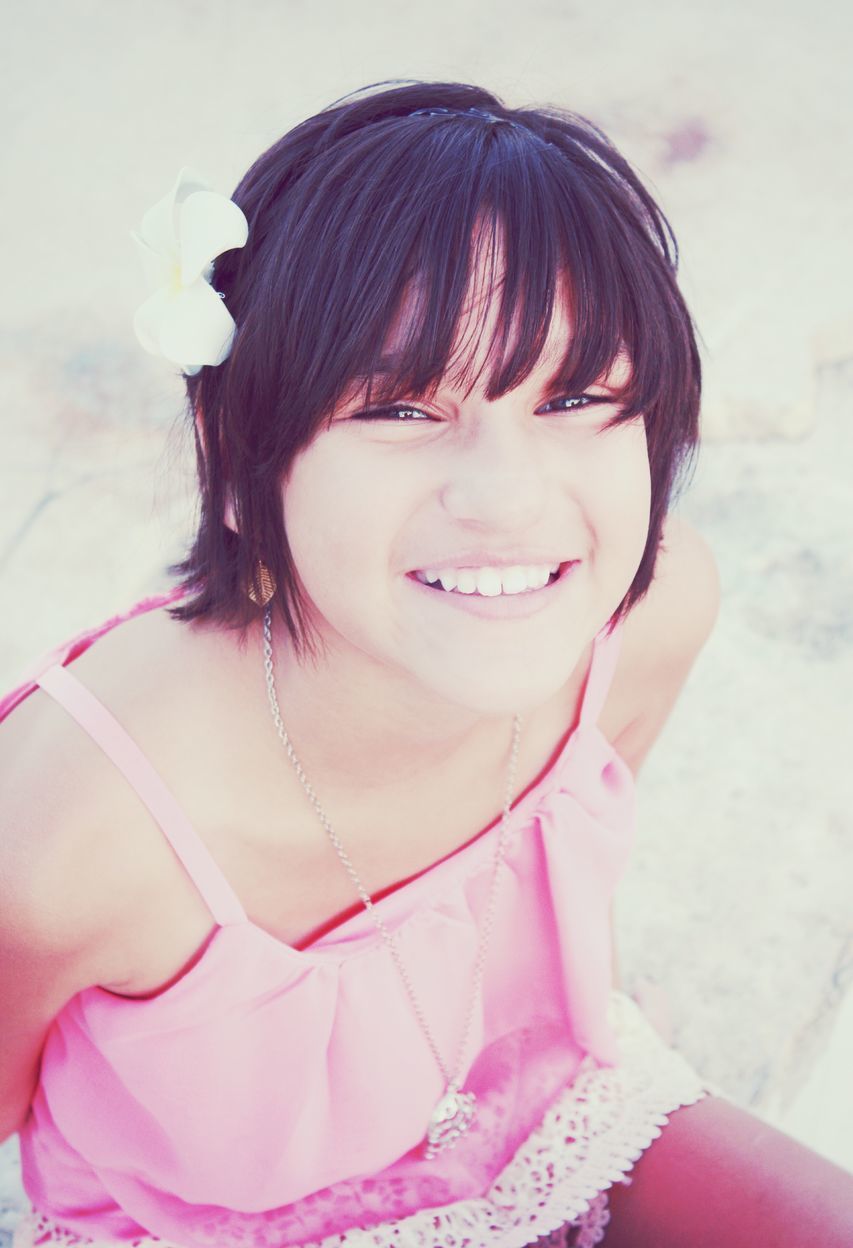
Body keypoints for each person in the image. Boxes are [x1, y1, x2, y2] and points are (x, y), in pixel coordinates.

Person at [1, 79, 851, 1248]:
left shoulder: (646, 618)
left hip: (546, 1117)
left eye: (577, 393)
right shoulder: (74, 832)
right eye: (401, 407)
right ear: (233, 443)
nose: (506, 498)